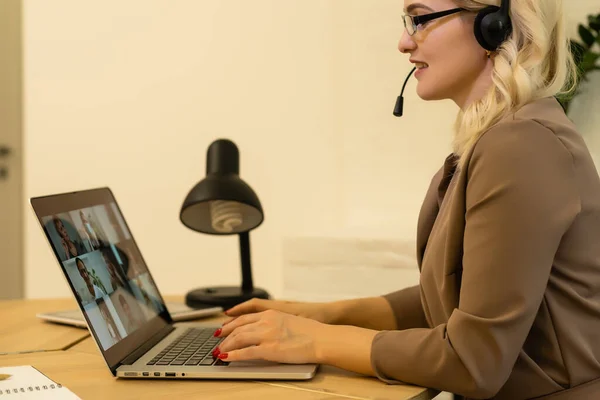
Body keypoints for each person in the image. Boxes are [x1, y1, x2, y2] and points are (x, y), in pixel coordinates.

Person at [210, 1, 600, 399]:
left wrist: (315, 340)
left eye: (420, 19)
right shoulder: (506, 137)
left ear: (494, 26)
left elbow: (472, 360)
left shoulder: (521, 146)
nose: (403, 42)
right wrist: (321, 314)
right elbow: (461, 297)